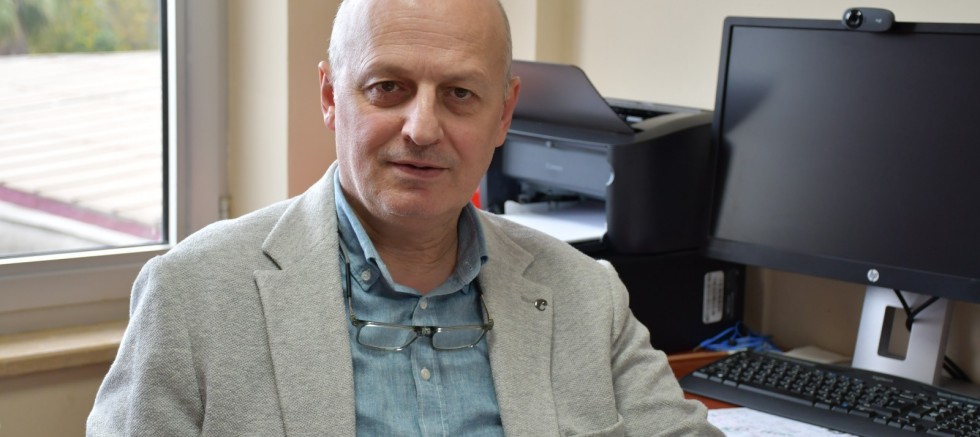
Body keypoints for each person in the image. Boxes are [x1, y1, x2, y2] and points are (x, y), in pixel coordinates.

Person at [87, 0, 723, 435]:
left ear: (503, 114)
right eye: (387, 88)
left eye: (459, 94)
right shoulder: (192, 296)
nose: (422, 129)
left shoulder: (587, 295)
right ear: (331, 96)